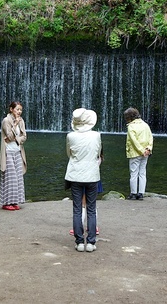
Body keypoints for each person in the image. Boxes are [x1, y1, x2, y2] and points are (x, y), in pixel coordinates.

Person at [65, 108, 101, 252]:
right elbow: (97, 153)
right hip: (92, 175)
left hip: (75, 175)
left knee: (77, 209)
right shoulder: (97, 135)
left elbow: (69, 154)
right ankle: (91, 242)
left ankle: (79, 242)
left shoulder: (70, 136)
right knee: (91, 209)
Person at [0, 101, 27, 211]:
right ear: (11, 109)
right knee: (10, 178)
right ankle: (6, 203)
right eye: (17, 109)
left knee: (18, 177)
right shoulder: (6, 121)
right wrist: (14, 125)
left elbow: (24, 137)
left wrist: (17, 139)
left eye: (20, 110)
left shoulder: (22, 121)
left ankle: (15, 201)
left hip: (18, 151)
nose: (19, 112)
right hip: (8, 152)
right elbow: (9, 136)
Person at [124, 107, 153, 200]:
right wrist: (148, 149)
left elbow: (134, 141)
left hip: (135, 153)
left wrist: (141, 151)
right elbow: (151, 138)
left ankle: (133, 193)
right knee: (142, 172)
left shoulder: (131, 127)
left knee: (133, 173)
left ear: (129, 117)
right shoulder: (145, 125)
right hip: (146, 152)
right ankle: (141, 193)